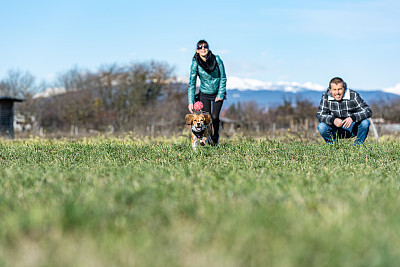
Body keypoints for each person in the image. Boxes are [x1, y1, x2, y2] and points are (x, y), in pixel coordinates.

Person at [187, 40, 227, 144]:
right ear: (197, 50)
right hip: (204, 93)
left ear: (208, 48)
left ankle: (215, 137)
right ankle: (207, 139)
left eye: (205, 46)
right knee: (206, 119)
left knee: (214, 117)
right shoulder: (195, 64)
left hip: (218, 93)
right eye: (200, 47)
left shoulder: (217, 59)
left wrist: (220, 94)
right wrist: (191, 102)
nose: (203, 48)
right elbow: (192, 83)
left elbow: (223, 77)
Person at [316, 77, 372, 145]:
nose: (337, 92)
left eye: (340, 89)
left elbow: (368, 111)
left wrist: (353, 118)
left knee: (365, 123)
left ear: (344, 89)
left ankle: (358, 146)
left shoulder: (353, 95)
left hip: (351, 127)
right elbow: (320, 115)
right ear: (330, 90)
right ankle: (333, 146)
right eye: (334, 89)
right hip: (334, 128)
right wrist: (332, 120)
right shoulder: (325, 97)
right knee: (321, 127)